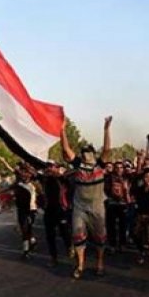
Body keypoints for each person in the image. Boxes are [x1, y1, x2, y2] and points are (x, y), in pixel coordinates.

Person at [61, 116, 111, 279]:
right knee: (78, 235)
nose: (85, 154)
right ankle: (80, 265)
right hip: (80, 207)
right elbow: (66, 149)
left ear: (93, 154)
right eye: (83, 152)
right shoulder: (78, 165)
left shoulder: (100, 165)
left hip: (97, 207)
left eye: (88, 151)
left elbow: (107, 150)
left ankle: (100, 263)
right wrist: (62, 130)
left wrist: (106, 129)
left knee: (100, 236)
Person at [39, 161, 72, 267]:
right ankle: (53, 258)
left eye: (51, 166)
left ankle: (69, 247)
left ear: (56, 168)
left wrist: (58, 174)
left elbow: (69, 184)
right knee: (50, 235)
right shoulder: (44, 178)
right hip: (49, 210)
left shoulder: (62, 178)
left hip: (61, 210)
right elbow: (31, 173)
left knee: (64, 232)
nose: (49, 168)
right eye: (47, 167)